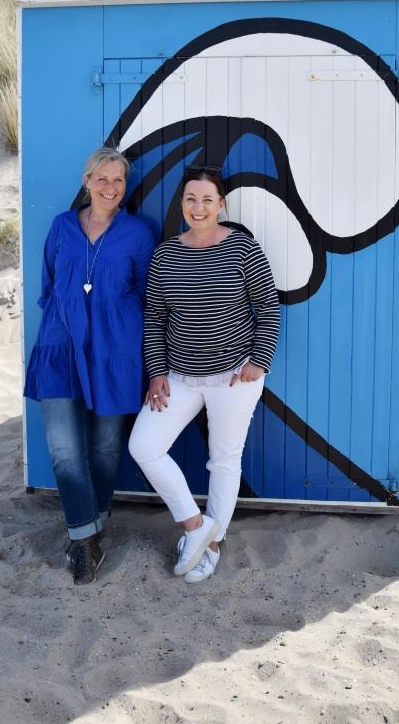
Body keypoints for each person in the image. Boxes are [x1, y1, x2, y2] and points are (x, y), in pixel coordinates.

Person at [128, 166, 280, 583]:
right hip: (178, 376)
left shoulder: (243, 249)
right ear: (182, 204)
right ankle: (197, 529)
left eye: (207, 200)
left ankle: (212, 547)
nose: (199, 207)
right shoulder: (166, 254)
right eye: (191, 199)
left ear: (221, 205)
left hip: (235, 376)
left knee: (225, 461)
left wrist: (258, 362)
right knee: (144, 446)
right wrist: (157, 372)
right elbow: (155, 319)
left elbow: (268, 309)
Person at [24, 147, 155, 585]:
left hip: (115, 354)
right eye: (102, 178)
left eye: (118, 180)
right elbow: (47, 284)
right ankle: (84, 540)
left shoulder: (138, 233)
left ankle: (91, 529)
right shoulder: (62, 227)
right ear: (86, 181)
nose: (110, 188)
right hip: (59, 349)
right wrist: (70, 320)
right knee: (64, 450)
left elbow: (146, 293)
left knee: (104, 450)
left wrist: (113, 322)